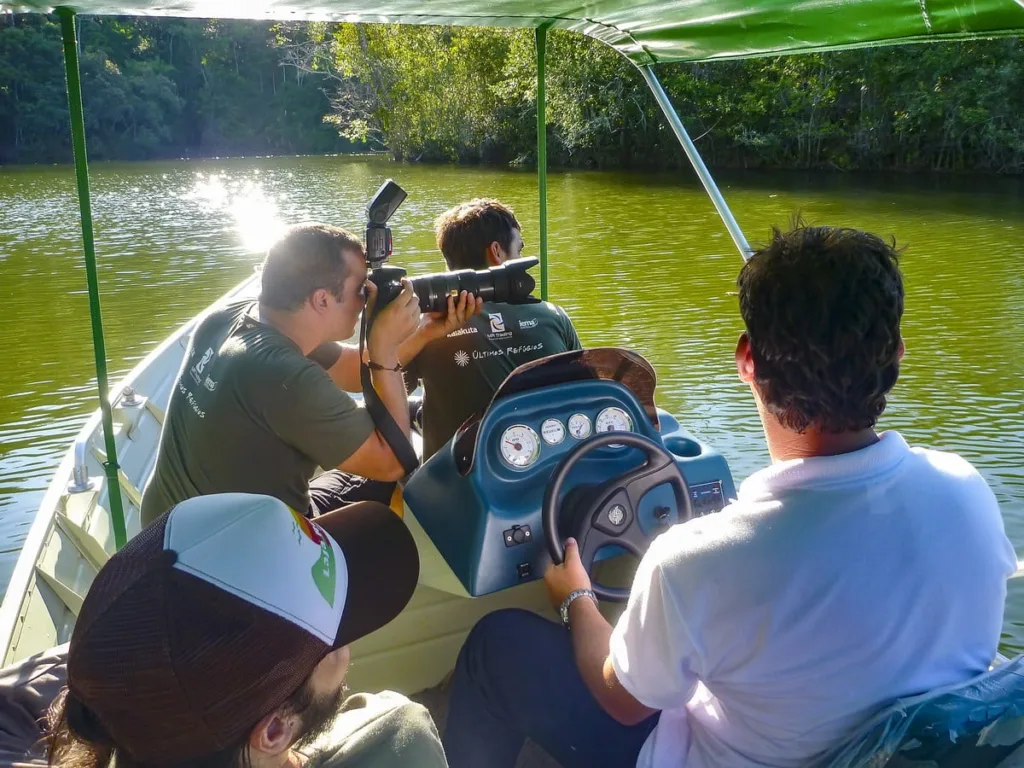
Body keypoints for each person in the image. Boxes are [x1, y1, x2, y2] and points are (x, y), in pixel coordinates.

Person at [441, 223, 1018, 768]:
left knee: (497, 644)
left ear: (747, 360)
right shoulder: (967, 491)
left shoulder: (697, 561)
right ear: (896, 353)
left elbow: (623, 700)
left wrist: (576, 600)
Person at [42, 492, 447, 768]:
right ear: (274, 730)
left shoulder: (120, 708)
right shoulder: (398, 736)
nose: (350, 643)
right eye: (336, 640)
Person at [140, 223, 464, 525]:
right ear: (322, 299)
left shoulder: (234, 318)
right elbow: (394, 461)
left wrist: (421, 333)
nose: (366, 302)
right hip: (232, 562)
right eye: (360, 290)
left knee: (405, 413)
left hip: (165, 533)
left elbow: (353, 371)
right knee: (380, 524)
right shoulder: (284, 376)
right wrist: (386, 351)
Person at [399, 199, 583, 459]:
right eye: (518, 249)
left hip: (460, 484)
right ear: (497, 252)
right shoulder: (552, 316)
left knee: (409, 411)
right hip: (553, 471)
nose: (520, 257)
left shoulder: (425, 328)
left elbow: (386, 389)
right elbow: (586, 390)